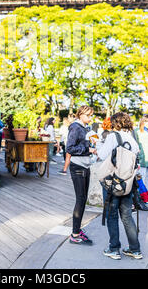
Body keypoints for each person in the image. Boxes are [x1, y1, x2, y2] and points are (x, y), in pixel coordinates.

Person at [92, 111, 142, 260]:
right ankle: (135, 249)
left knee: (111, 215)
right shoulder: (132, 140)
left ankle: (114, 248)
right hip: (127, 183)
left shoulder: (113, 136)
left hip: (112, 182)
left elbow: (101, 154)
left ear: (115, 123)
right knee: (127, 215)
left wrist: (97, 146)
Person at [66, 105, 95, 245]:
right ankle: (75, 234)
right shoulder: (75, 127)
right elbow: (69, 148)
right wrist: (88, 148)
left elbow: (81, 146)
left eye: (91, 115)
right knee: (80, 199)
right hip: (78, 166)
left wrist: (92, 145)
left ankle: (77, 230)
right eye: (88, 115)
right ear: (81, 114)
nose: (90, 118)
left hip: (84, 165)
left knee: (83, 200)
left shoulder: (84, 127)